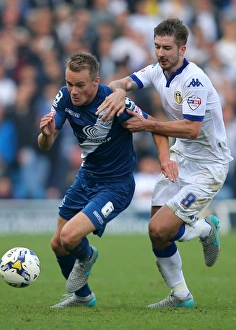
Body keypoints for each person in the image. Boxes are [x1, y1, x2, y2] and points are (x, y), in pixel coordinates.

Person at [97, 18, 233, 308]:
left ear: (182, 49)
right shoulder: (156, 70)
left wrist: (149, 124)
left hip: (208, 166)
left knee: (160, 229)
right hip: (182, 157)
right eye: (157, 46)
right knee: (157, 233)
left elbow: (191, 128)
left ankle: (206, 230)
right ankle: (181, 295)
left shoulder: (193, 81)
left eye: (167, 48)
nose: (160, 53)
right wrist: (119, 89)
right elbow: (119, 82)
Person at [38, 52, 177, 308]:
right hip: (86, 178)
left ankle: (88, 256)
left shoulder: (114, 102)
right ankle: (83, 297)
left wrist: (164, 159)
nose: (74, 91)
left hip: (116, 186)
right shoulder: (64, 97)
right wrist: (45, 135)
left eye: (80, 85)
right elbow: (46, 143)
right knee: (58, 244)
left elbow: (155, 126)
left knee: (70, 238)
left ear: (96, 81)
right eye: (69, 83)